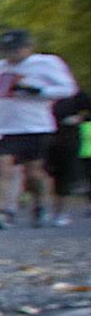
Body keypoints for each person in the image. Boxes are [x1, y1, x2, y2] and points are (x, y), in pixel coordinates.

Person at [0, 29, 78, 229]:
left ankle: (40, 205)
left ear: (28, 48)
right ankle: (1, 212)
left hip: (35, 125)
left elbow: (69, 88)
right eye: (6, 50)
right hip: (6, 126)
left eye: (15, 50)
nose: (10, 55)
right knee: (1, 166)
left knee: (34, 173)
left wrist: (39, 91)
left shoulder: (47, 63)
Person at [47, 88, 88, 225]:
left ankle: (58, 212)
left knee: (63, 176)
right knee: (39, 173)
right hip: (40, 136)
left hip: (67, 139)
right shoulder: (33, 93)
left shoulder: (72, 93)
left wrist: (81, 118)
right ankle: (40, 207)